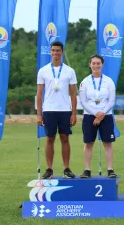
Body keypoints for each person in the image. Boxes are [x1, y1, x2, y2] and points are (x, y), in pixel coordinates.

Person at [37, 41, 77, 179]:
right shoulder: (43, 71)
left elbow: (73, 94)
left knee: (65, 138)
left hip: (65, 110)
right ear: (50, 52)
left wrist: (74, 113)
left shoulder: (69, 71)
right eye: (53, 50)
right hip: (48, 110)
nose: (55, 53)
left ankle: (66, 169)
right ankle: (49, 169)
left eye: (58, 50)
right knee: (50, 139)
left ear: (62, 52)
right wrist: (39, 114)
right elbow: (40, 94)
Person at [79, 54, 117, 178]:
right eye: (93, 63)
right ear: (90, 64)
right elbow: (83, 102)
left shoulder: (109, 81)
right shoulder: (84, 82)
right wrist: (96, 113)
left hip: (106, 115)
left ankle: (110, 169)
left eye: (98, 63)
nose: (96, 65)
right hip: (90, 115)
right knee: (89, 143)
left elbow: (111, 101)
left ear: (102, 64)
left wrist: (101, 114)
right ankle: (87, 170)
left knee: (108, 143)